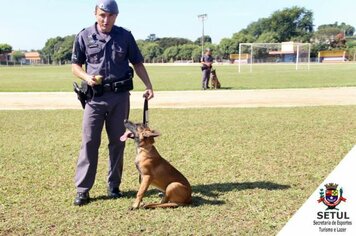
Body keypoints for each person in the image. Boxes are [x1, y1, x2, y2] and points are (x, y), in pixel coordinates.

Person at [71, 0, 154, 206]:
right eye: (102, 15)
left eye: (110, 16)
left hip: (119, 97)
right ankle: (83, 190)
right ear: (95, 13)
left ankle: (114, 185)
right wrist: (86, 77)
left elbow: (137, 63)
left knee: (118, 142)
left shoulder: (125, 36)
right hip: (94, 98)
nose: (105, 20)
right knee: (90, 141)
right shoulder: (84, 35)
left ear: (116, 16)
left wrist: (149, 85)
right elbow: (75, 65)